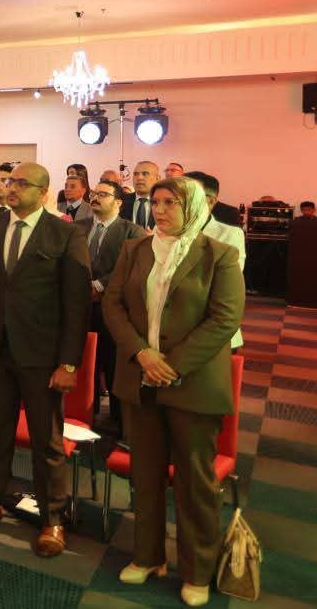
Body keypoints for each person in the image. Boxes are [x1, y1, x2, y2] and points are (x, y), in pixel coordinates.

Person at [103, 177, 244, 607]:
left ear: (194, 206)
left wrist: (171, 365)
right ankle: (148, 557)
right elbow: (113, 306)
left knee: (194, 482)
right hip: (140, 379)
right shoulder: (135, 250)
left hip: (193, 383)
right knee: (145, 475)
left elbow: (225, 319)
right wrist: (142, 354)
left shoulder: (218, 254)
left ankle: (197, 570)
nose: (160, 210)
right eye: (156, 202)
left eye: (171, 203)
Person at [0, 161, 90, 557]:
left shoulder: (65, 233)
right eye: (10, 182)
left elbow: (77, 304)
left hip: (42, 355)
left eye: (22, 183)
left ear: (44, 192)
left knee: (46, 441)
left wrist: (69, 363)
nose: (12, 188)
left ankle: (52, 517)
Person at [78, 179, 146, 428]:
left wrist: (98, 285)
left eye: (103, 194)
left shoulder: (132, 231)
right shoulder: (78, 227)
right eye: (94, 193)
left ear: (118, 202)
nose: (95, 197)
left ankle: (118, 421)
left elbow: (129, 267)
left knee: (113, 363)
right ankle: (85, 413)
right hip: (80, 306)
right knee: (85, 363)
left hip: (113, 307)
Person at [184, 172, 246, 351]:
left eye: (187, 195)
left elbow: (223, 283)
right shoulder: (163, 230)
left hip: (212, 326)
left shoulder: (229, 234)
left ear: (210, 201)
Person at [122, 161, 159, 230]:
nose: (139, 177)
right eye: (135, 174)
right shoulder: (120, 201)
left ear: (157, 179)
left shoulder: (165, 204)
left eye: (145, 174)